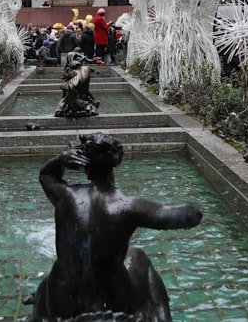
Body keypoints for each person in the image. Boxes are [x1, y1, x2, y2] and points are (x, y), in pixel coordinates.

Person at [27, 133, 202, 321]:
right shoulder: (128, 206)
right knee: (137, 256)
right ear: (114, 163)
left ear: (85, 166)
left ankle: (40, 309)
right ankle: (161, 317)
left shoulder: (65, 195)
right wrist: (190, 207)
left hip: (63, 301)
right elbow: (189, 217)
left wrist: (60, 160)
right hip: (111, 302)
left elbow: (45, 175)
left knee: (60, 268)